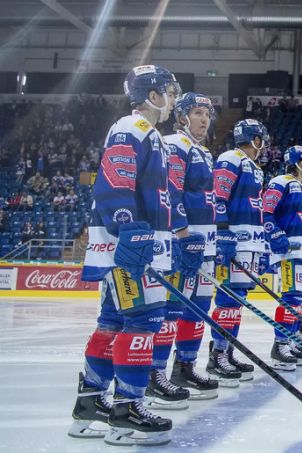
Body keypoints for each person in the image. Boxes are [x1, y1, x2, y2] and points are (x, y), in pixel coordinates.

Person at [72, 65, 202, 446]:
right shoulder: (131, 127)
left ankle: (90, 403)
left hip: (141, 245)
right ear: (151, 94)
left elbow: (159, 196)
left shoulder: (151, 134)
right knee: (143, 322)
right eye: (169, 91)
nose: (174, 99)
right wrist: (128, 228)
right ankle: (127, 409)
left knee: (113, 320)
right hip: (130, 247)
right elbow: (115, 180)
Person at [151, 92, 226, 407]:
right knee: (173, 310)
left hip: (204, 242)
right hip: (184, 241)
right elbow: (171, 191)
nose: (204, 119)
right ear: (181, 116)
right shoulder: (175, 145)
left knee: (198, 308)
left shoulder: (204, 152)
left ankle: (185, 367)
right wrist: (182, 235)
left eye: (207, 113)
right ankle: (154, 374)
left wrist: (215, 239)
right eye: (197, 112)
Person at [209, 118, 269, 383]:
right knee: (228, 297)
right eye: (261, 139)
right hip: (235, 239)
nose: (264, 145)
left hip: (251, 242)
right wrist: (222, 231)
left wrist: (263, 244)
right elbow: (218, 196)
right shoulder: (230, 158)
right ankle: (217, 355)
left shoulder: (256, 168)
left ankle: (228, 349)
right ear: (254, 138)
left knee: (238, 298)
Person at [262, 145, 302, 371]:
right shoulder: (281, 181)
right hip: (288, 251)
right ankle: (279, 345)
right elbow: (266, 210)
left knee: (300, 300)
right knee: (291, 298)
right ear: (300, 162)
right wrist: (275, 233)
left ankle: (290, 339)